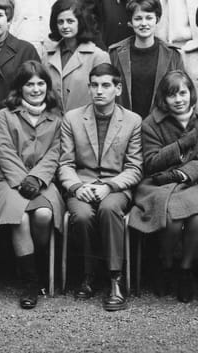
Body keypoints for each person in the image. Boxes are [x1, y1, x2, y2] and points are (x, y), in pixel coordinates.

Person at [58, 63, 142, 311]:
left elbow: (135, 167)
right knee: (82, 215)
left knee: (109, 209)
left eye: (106, 85)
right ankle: (88, 274)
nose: (99, 91)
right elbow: (65, 163)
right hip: (82, 183)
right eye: (94, 85)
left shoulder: (132, 120)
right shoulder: (72, 118)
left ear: (118, 88)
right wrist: (76, 186)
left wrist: (110, 186)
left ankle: (115, 278)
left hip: (114, 187)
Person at [128, 71, 198, 302]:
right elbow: (151, 162)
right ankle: (166, 265)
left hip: (193, 182)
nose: (178, 99)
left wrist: (181, 174)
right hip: (157, 184)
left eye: (183, 93)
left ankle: (186, 270)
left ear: (191, 93)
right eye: (172, 95)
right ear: (163, 98)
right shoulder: (151, 123)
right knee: (172, 219)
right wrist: (181, 145)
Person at [0, 61, 63, 309]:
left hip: (43, 180)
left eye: (40, 83)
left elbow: (55, 152)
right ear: (20, 87)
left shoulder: (57, 117)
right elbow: (4, 150)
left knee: (43, 214)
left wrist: (36, 178)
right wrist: (21, 180)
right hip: (9, 180)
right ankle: (30, 282)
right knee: (21, 218)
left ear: (47, 86)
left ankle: (37, 262)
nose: (36, 89)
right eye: (29, 84)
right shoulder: (5, 115)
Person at [109, 0, 184, 119]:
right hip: (123, 123)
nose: (144, 23)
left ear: (157, 20)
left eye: (149, 18)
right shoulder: (115, 53)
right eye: (138, 18)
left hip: (161, 124)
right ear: (131, 22)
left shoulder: (173, 55)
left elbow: (180, 92)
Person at [43, 0, 110, 112]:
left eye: (70, 21)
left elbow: (105, 98)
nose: (65, 26)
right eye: (60, 22)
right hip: (53, 121)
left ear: (81, 22)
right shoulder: (47, 56)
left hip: (86, 120)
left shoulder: (98, 56)